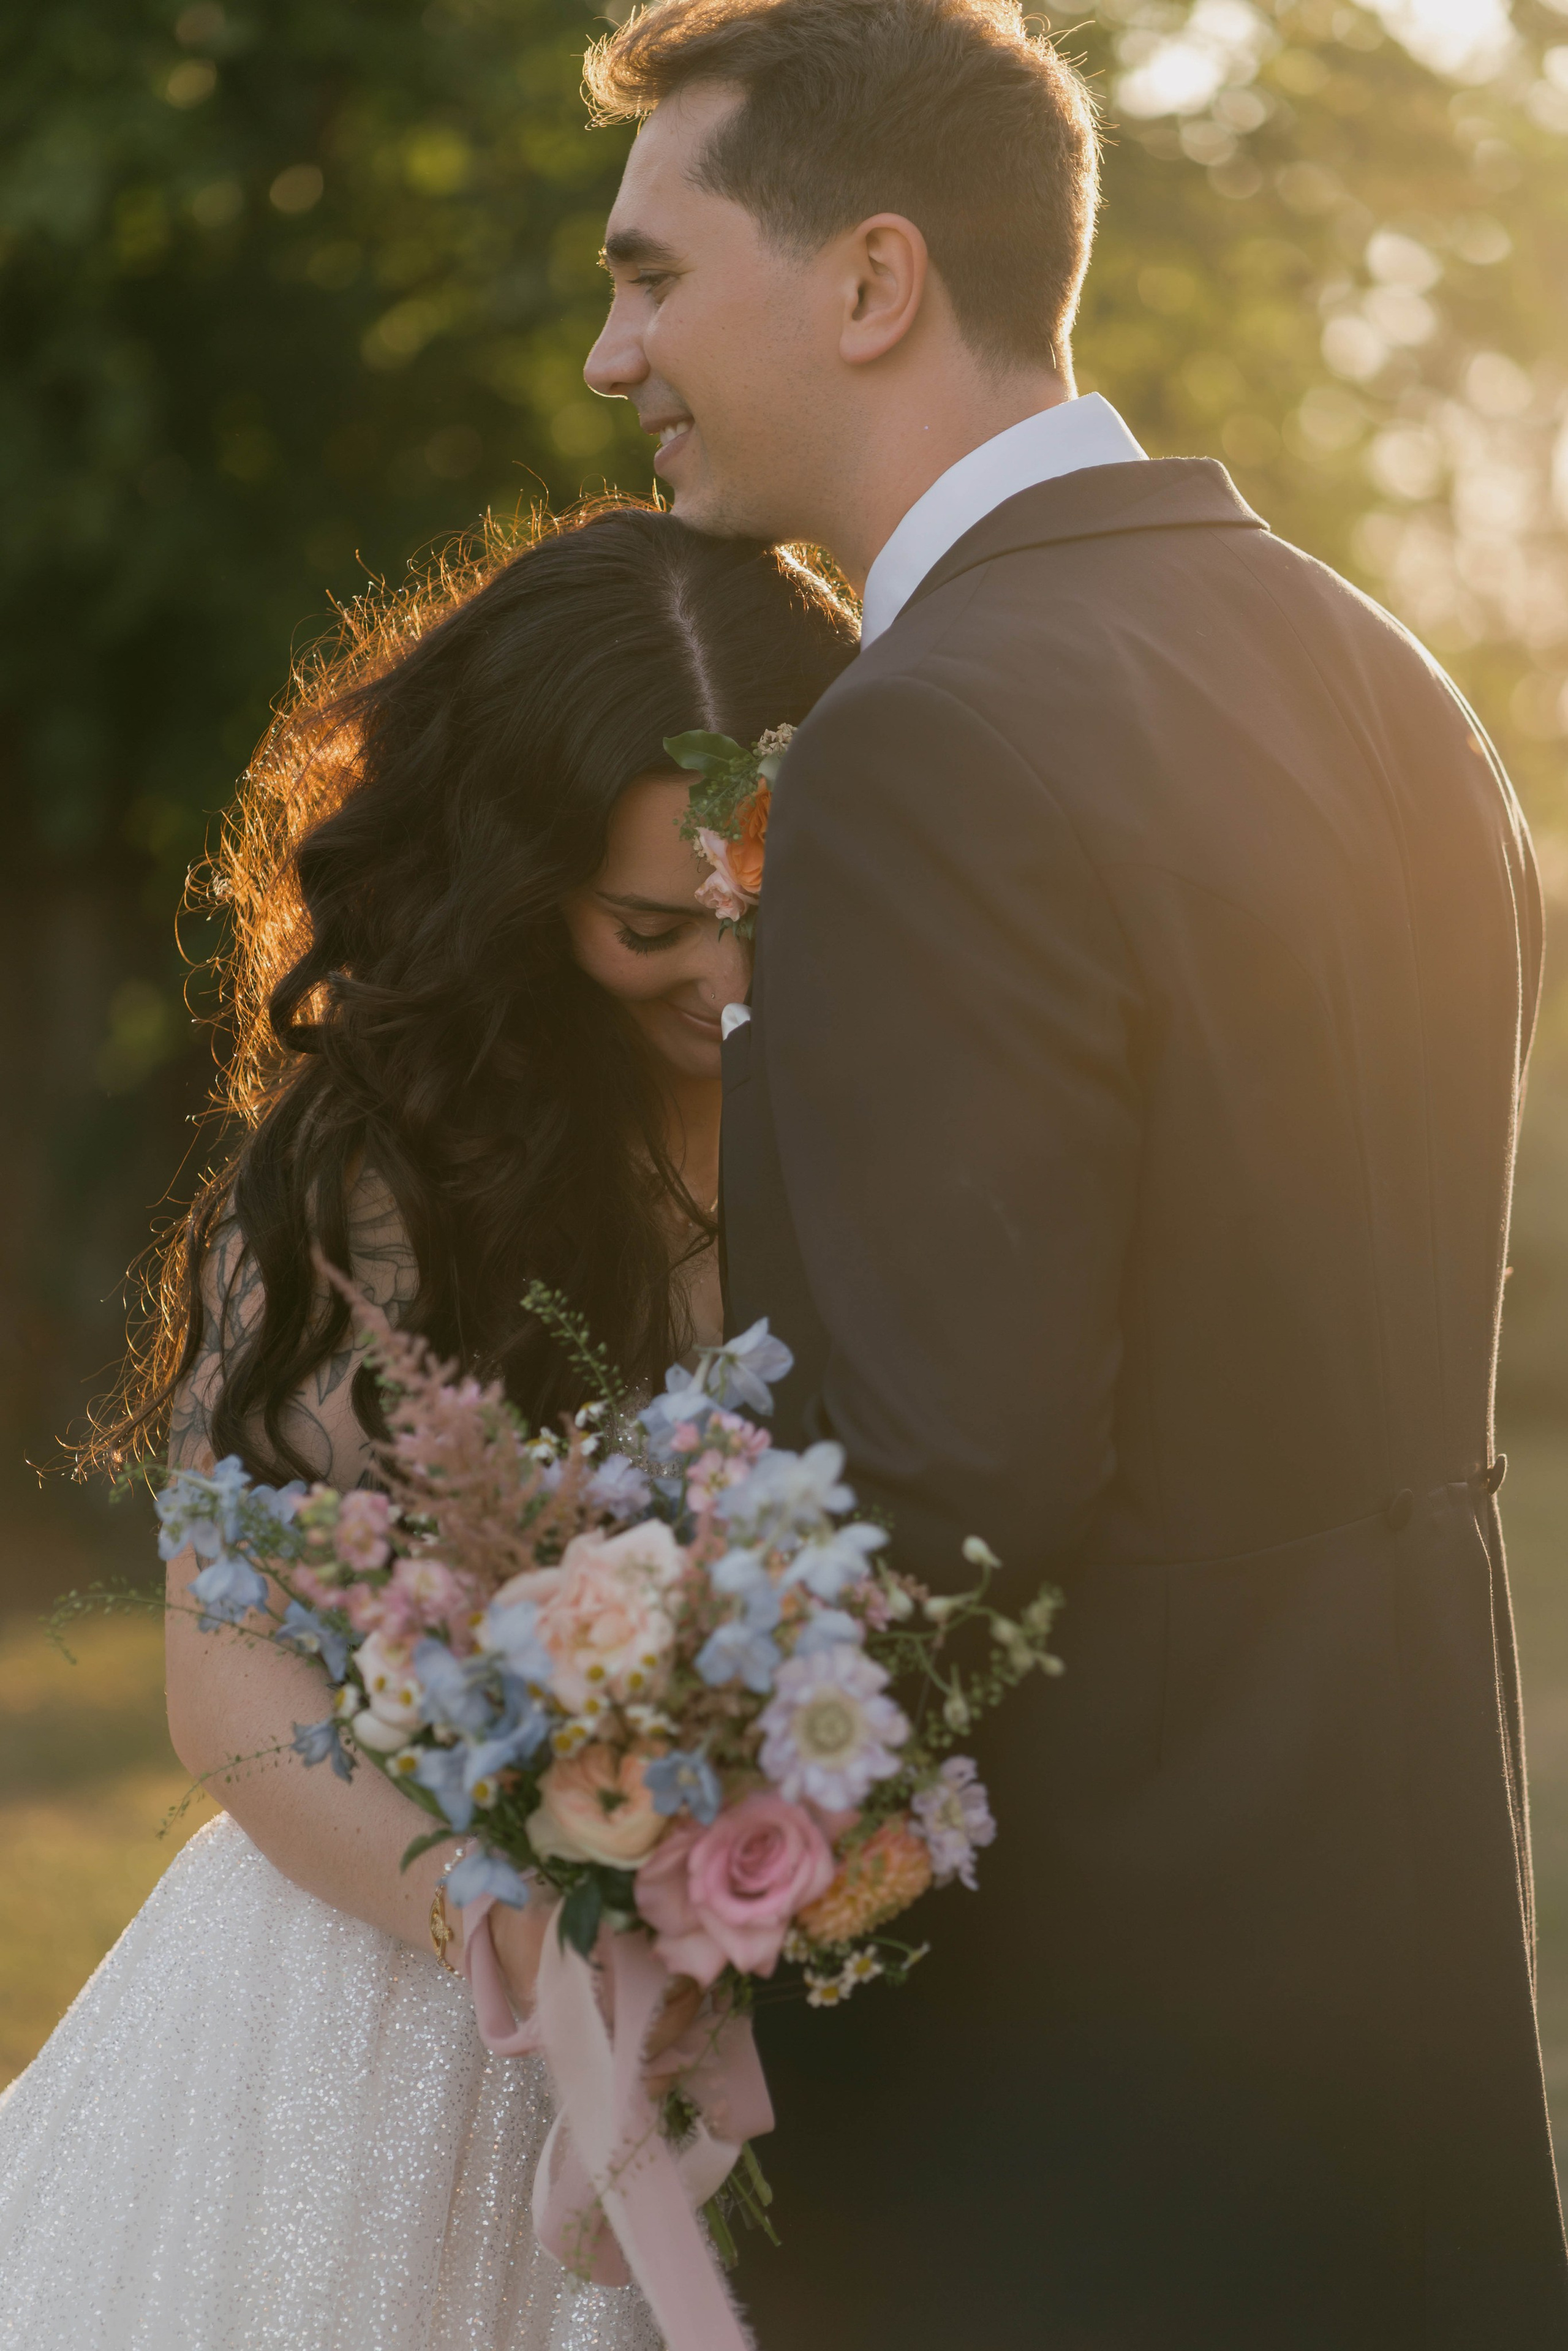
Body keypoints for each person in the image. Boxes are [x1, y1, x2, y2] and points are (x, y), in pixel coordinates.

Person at [581, 1, 1568, 2343]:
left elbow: (946, 1482)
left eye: (648, 275)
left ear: (869, 282)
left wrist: (617, 1790)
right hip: (1404, 1954)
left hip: (1078, 2068)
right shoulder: (1375, 670)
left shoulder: (921, 739)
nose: (619, 356)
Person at [0, 502, 855, 2349]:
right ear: (519, 886)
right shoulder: (383, 1166)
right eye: (655, 929)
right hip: (398, 2005)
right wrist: (525, 1933)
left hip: (808, 1995)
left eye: (770, 913)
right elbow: (227, 1672)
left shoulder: (891, 1111)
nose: (732, 982)